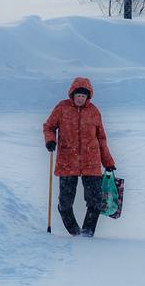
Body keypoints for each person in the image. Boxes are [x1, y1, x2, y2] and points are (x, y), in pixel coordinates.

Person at [43, 76, 116, 237]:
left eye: (84, 96)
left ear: (88, 96)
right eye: (78, 95)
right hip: (67, 161)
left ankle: (87, 233)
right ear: (72, 94)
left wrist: (108, 161)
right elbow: (49, 127)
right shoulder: (62, 108)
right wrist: (50, 141)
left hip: (91, 162)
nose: (80, 99)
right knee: (65, 203)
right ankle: (75, 233)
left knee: (95, 201)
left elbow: (101, 138)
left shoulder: (94, 111)